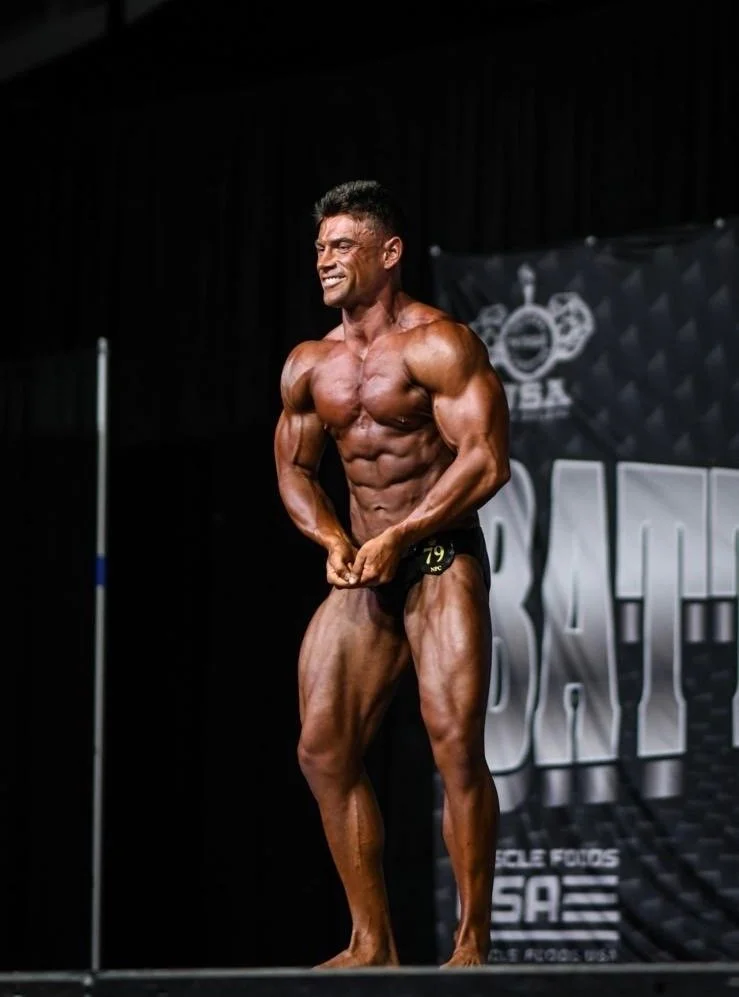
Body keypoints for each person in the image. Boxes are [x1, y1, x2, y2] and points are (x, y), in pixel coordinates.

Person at [273, 179, 511, 969]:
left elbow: (484, 459)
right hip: (363, 576)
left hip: (439, 559)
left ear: (388, 253)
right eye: (319, 249)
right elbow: (294, 469)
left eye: (341, 246)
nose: (325, 261)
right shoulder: (311, 364)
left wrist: (404, 531)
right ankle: (371, 940)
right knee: (322, 747)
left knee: (453, 746)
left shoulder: (439, 344)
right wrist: (333, 537)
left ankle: (471, 941)